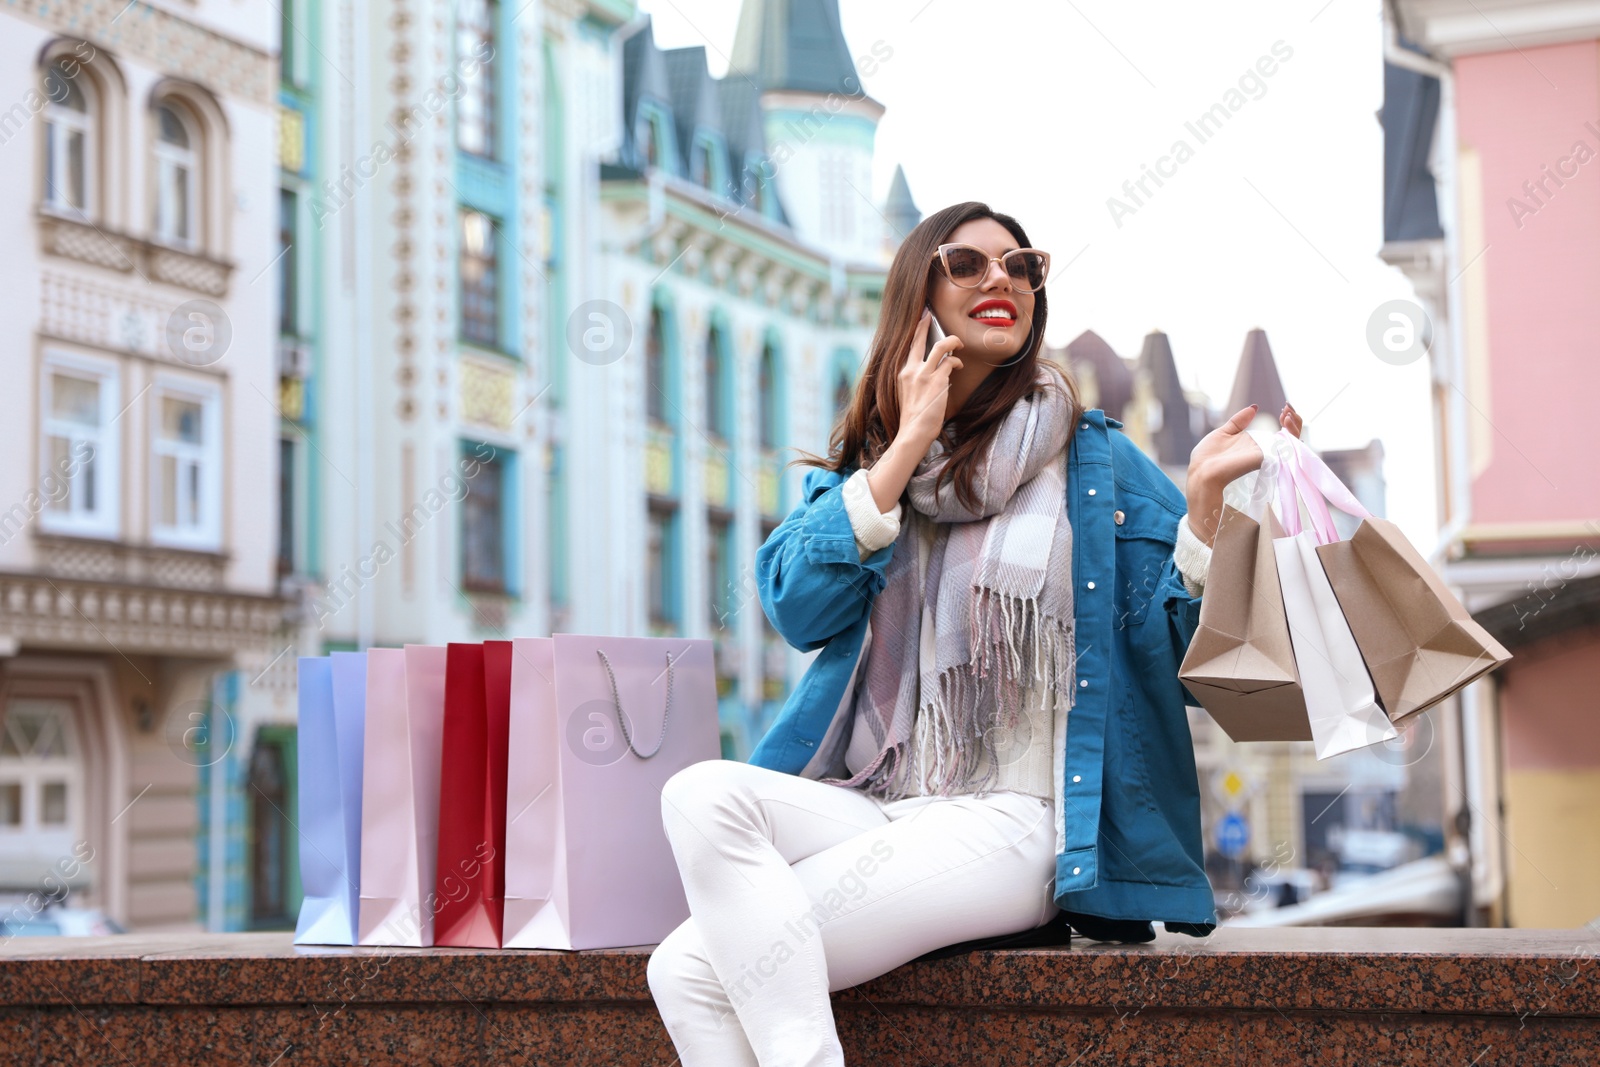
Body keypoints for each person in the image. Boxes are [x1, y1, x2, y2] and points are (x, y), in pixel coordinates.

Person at [647, 201, 1303, 1066]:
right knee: (697, 805)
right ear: (918, 295)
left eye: (1021, 264)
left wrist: (1209, 509)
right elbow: (796, 604)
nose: (1002, 278)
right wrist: (910, 437)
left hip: (1020, 819)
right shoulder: (877, 470)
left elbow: (1181, 658)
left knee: (693, 969)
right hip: (885, 801)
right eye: (968, 263)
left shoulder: (1098, 463)